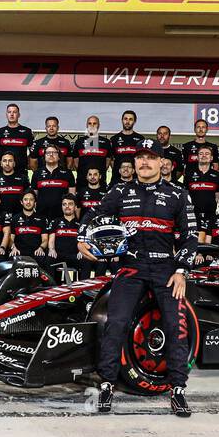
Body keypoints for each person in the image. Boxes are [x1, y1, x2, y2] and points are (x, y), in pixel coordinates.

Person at [79, 148, 198, 416]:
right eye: (141, 158)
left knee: (175, 326)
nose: (145, 162)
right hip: (130, 266)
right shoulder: (120, 192)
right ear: (134, 163)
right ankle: (107, 384)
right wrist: (80, 238)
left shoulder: (178, 194)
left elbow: (191, 236)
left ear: (161, 163)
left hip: (166, 269)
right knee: (116, 323)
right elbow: (94, 214)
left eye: (151, 157)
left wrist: (181, 271)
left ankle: (177, 389)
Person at [183, 146, 219, 233]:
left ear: (211, 158)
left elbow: (217, 196)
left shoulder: (217, 175)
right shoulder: (189, 174)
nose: (204, 156)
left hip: (210, 215)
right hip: (192, 215)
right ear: (197, 157)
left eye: (207, 154)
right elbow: (185, 195)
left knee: (208, 241)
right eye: (201, 154)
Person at [31, 143, 75, 218]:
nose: (51, 155)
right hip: (41, 215)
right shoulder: (37, 174)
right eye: (48, 153)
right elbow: (33, 196)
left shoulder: (68, 173)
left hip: (61, 216)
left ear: (59, 157)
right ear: (44, 157)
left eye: (54, 153)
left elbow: (72, 196)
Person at [47, 195, 84, 279]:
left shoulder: (81, 224)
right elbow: (51, 239)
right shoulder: (55, 222)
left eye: (70, 204)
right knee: (49, 259)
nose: (67, 206)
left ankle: (83, 289)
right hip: (58, 255)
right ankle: (52, 288)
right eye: (64, 204)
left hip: (74, 255)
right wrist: (51, 249)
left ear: (75, 207)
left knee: (85, 261)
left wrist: (81, 251)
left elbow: (83, 241)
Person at [72, 115, 112, 183]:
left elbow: (107, 163)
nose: (92, 125)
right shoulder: (79, 142)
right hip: (82, 181)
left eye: (94, 123)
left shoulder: (106, 142)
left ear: (98, 125)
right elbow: (76, 163)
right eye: (89, 123)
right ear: (86, 125)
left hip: (100, 182)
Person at [0, 103, 34, 171]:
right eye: (9, 112)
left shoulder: (27, 131)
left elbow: (33, 152)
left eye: (14, 112)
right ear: (6, 115)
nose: (12, 114)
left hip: (21, 170)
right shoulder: (0, 132)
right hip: (3, 171)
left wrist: (27, 163)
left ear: (19, 115)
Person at [11, 191, 49, 257]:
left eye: (31, 199)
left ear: (35, 202)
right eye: (25, 199)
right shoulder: (14, 219)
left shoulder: (42, 219)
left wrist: (41, 248)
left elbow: (45, 239)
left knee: (45, 261)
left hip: (36, 252)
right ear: (21, 202)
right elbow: (11, 239)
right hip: (19, 252)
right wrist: (13, 248)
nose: (28, 202)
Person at [111, 110, 146, 179]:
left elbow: (142, 159)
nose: (127, 122)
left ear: (134, 122)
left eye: (130, 119)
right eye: (125, 119)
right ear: (122, 120)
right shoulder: (114, 139)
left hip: (135, 178)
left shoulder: (140, 139)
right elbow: (111, 160)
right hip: (117, 178)